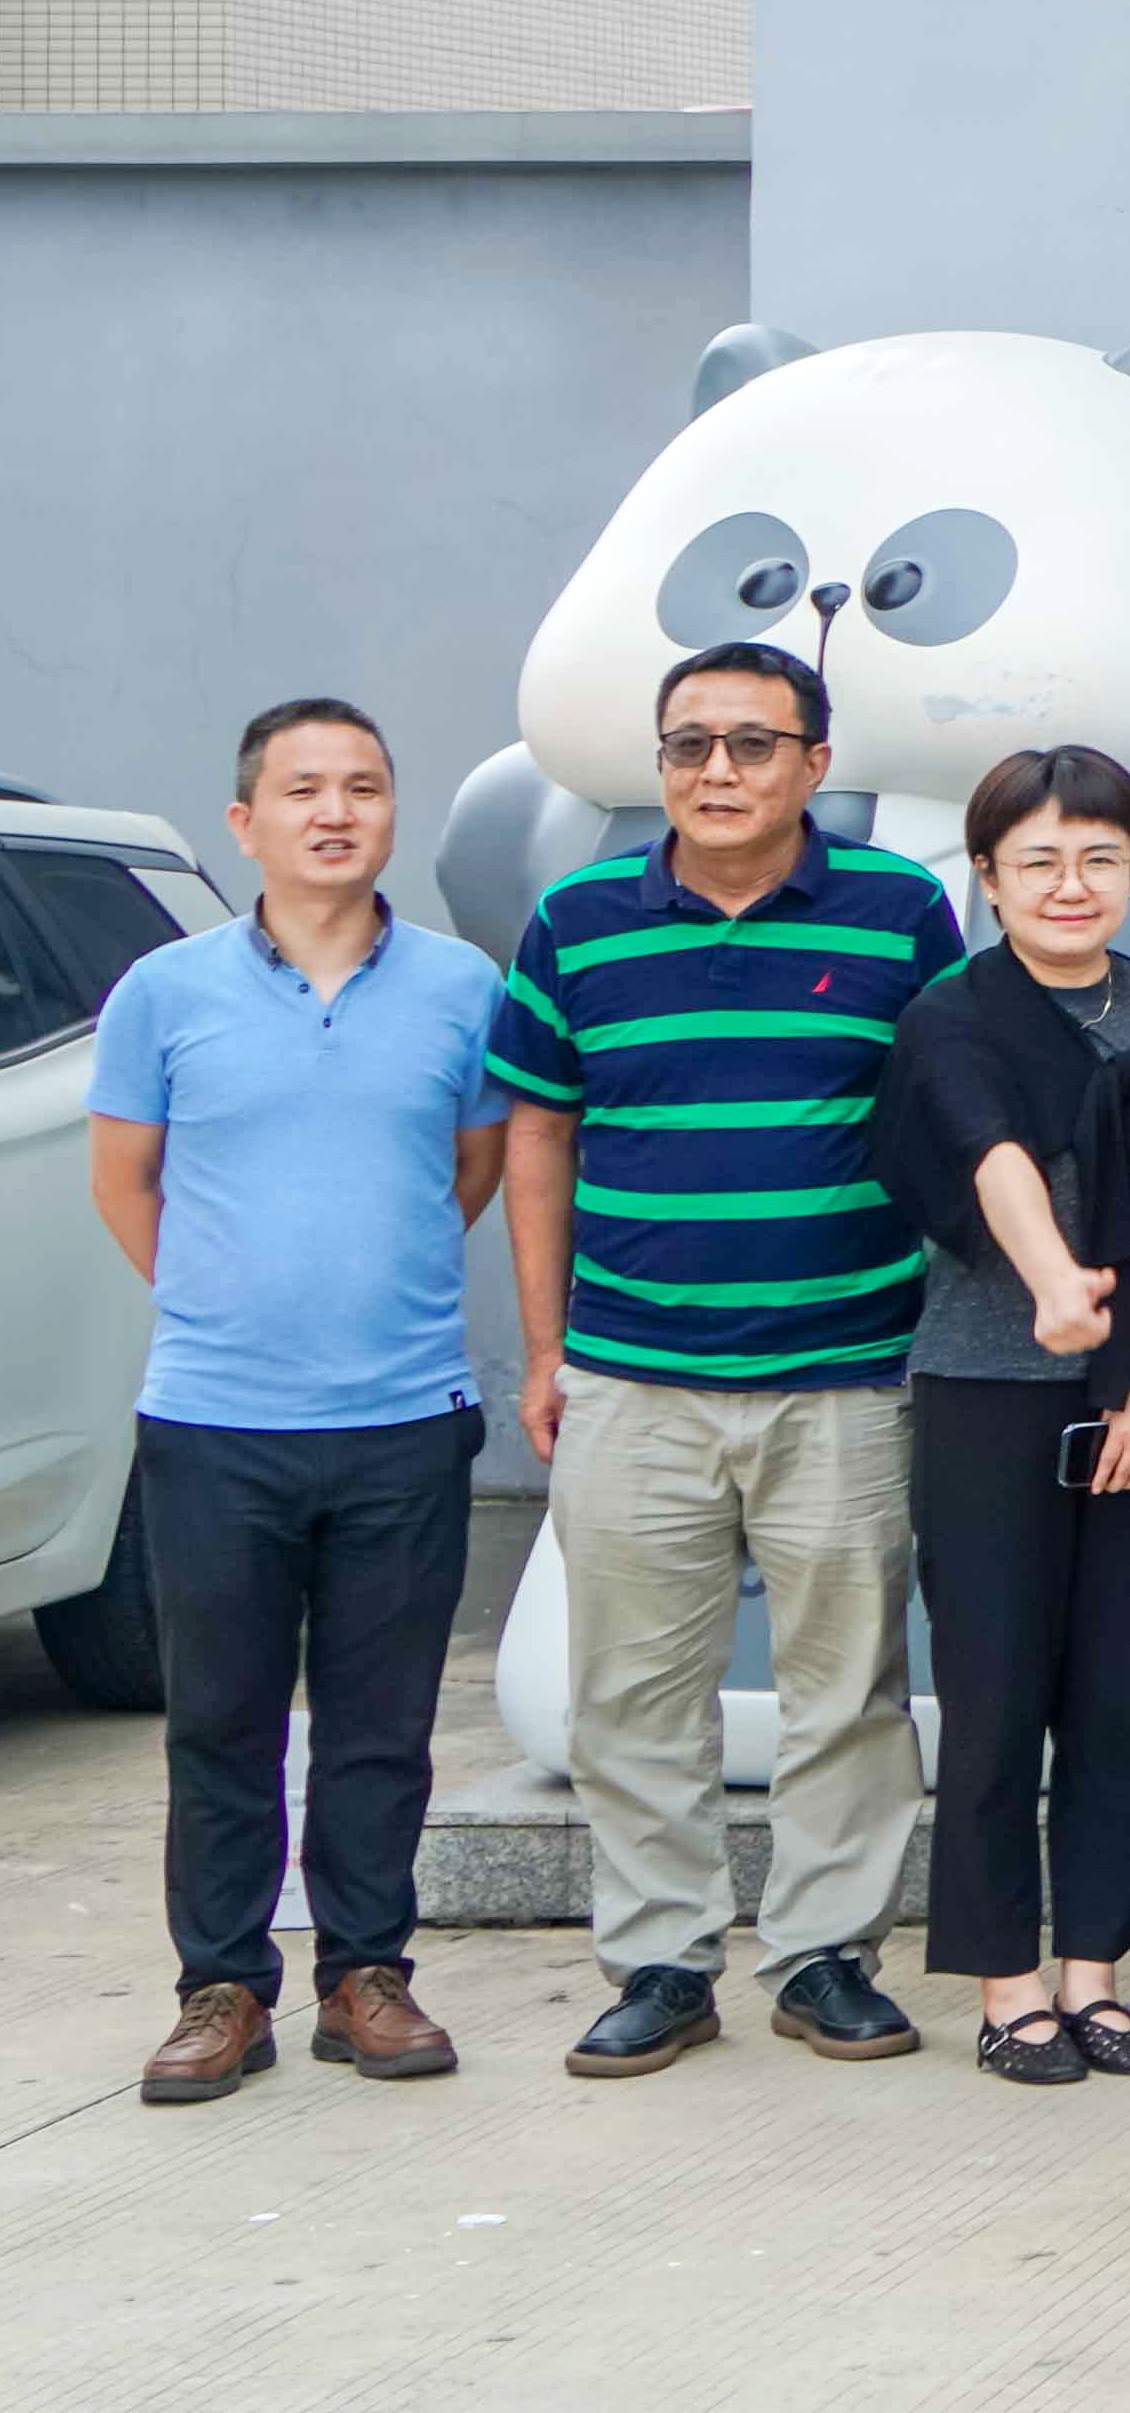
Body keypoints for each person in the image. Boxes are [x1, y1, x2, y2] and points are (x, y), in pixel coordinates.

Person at [497, 641, 965, 2077]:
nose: (717, 770)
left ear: (815, 764)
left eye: (753, 744)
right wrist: (544, 1351)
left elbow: (950, 1113)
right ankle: (661, 1963)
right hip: (632, 1375)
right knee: (631, 1696)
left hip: (847, 1370)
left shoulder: (900, 912)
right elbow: (539, 1133)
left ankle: (825, 1957)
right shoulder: (576, 921)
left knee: (849, 1689)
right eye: (688, 744)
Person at [100, 698, 510, 2105]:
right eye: (302, 789)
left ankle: (365, 1975)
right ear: (245, 821)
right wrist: (227, 1301)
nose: (335, 812)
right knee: (219, 1719)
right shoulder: (164, 991)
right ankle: (220, 1987)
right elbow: (125, 1183)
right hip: (215, 1422)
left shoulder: (462, 989)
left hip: (403, 1415)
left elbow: (469, 1171)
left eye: (363, 787)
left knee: (380, 1723)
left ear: (392, 811)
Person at [892, 744, 1130, 2083]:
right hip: (987, 1398)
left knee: (1114, 1700)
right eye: (1037, 860)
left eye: (1100, 858)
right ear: (987, 878)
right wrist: (1056, 1283)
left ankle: (1095, 1974)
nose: (1070, 884)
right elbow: (991, 1154)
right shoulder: (953, 1015)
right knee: (995, 1702)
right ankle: (1008, 1986)